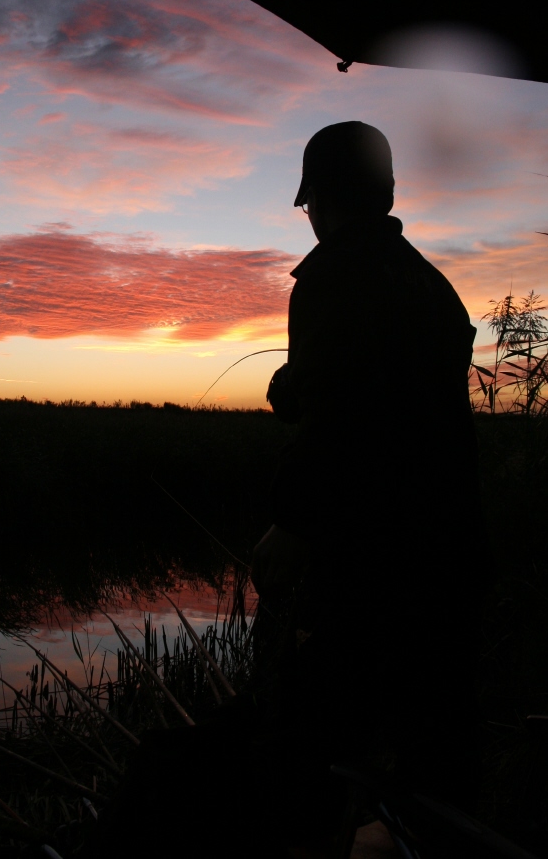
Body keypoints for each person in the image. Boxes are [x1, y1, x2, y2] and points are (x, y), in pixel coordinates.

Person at [250, 120, 486, 848]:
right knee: (433, 758)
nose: (310, 218)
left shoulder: (329, 275)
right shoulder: (431, 286)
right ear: (385, 193)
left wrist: (289, 526)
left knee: (313, 747)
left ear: (318, 197)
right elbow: (394, 398)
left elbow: (338, 425)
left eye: (309, 203)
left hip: (360, 558)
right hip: (444, 553)